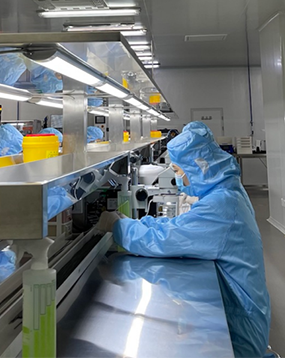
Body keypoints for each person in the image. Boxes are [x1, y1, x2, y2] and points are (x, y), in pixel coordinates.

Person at [97, 122, 271, 358]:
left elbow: (167, 239)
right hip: (242, 313)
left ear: (199, 167)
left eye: (179, 171)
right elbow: (180, 226)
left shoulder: (221, 205)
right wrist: (139, 223)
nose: (178, 178)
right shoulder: (226, 191)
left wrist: (119, 227)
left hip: (239, 334)